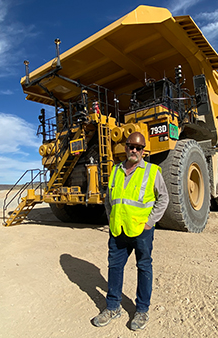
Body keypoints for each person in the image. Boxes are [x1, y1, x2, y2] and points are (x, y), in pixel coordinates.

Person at [92, 131, 169, 331]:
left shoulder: (152, 171)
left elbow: (164, 198)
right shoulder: (116, 170)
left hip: (142, 231)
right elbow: (109, 200)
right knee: (114, 267)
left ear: (144, 151)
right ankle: (113, 307)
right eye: (130, 146)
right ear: (125, 148)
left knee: (144, 267)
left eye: (138, 147)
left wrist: (150, 222)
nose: (134, 150)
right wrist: (111, 219)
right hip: (118, 230)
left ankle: (142, 311)